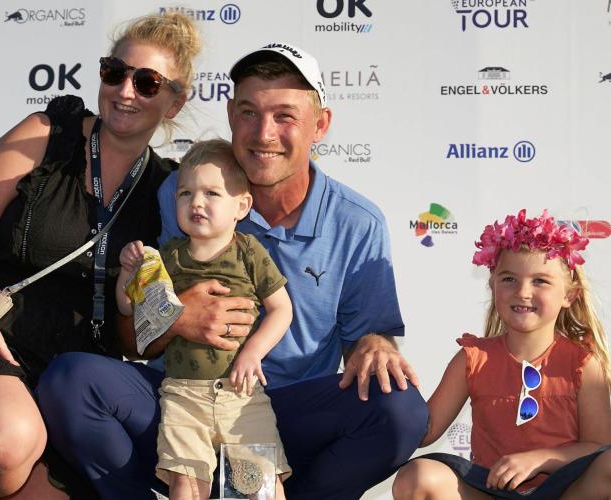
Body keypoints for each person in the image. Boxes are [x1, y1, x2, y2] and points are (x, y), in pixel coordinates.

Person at [38, 41, 428, 500]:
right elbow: (132, 338)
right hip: (180, 398)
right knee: (72, 380)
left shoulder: (358, 221)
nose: (263, 133)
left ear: (320, 125)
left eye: (284, 116)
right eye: (248, 113)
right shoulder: (179, 193)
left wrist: (375, 345)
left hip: (285, 413)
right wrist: (177, 319)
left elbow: (368, 337)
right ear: (229, 114)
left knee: (399, 407)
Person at [0, 11, 201, 499]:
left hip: (73, 376)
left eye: (147, 83)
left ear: (175, 101)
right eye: (114, 73)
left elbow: (137, 330)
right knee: (6, 440)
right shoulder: (47, 134)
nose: (125, 91)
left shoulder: (168, 190)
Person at [392, 209, 611, 499]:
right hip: (489, 491)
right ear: (492, 284)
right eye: (509, 279)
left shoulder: (583, 362)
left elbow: (599, 447)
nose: (523, 292)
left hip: (565, 493)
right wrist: (388, 398)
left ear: (569, 295)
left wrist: (541, 459)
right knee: (418, 475)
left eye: (540, 281)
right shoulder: (472, 358)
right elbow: (425, 431)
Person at [117, 138, 292, 499]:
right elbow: (129, 307)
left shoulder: (249, 252)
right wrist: (127, 274)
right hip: (182, 395)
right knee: (185, 483)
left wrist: (252, 353)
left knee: (259, 485)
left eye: (212, 193)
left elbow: (282, 309)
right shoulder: (166, 257)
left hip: (242, 394)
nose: (196, 202)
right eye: (186, 194)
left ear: (241, 206)